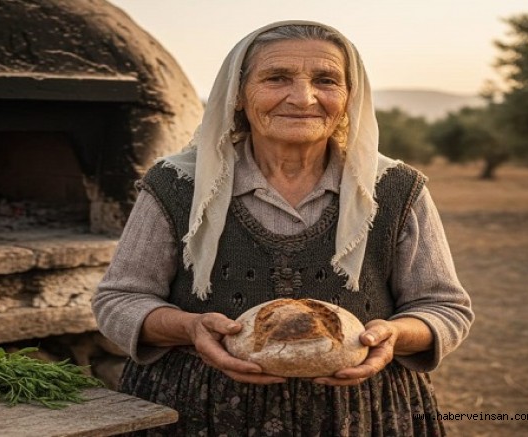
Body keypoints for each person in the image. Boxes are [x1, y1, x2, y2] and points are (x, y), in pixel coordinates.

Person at [92, 20, 473, 436]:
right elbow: (119, 301)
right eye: (276, 78)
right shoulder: (176, 184)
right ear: (238, 95)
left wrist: (392, 336)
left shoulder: (397, 189)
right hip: (197, 411)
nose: (303, 97)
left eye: (326, 80)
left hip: (363, 415)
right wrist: (190, 327)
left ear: (350, 97)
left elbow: (444, 308)